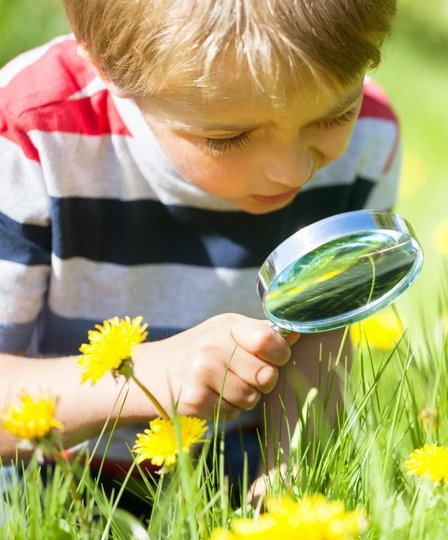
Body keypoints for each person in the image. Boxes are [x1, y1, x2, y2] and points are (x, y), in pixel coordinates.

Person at [0, 0, 400, 507]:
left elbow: (319, 343)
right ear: (104, 66)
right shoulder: (32, 138)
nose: (292, 171)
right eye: (228, 138)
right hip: (41, 477)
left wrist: (286, 476)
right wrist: (145, 377)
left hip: (232, 469)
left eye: (336, 114)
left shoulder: (370, 137)